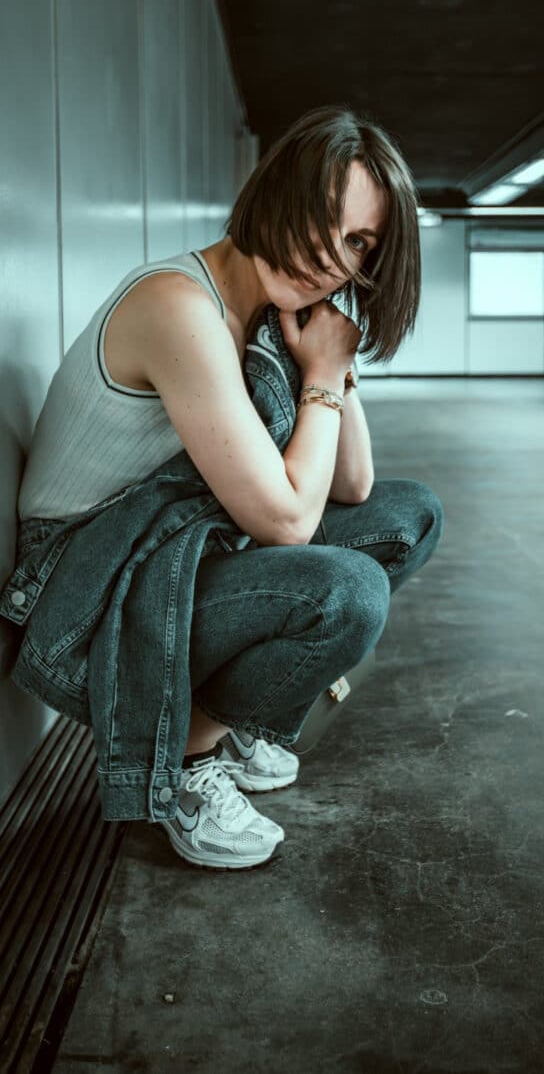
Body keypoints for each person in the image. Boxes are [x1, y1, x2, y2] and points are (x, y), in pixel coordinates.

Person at [15, 104, 444, 870]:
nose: (326, 254)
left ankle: (218, 723)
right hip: (81, 596)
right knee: (346, 592)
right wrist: (318, 377)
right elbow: (285, 521)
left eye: (357, 243)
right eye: (320, 217)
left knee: (408, 516)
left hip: (165, 550)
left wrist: (332, 352)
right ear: (272, 190)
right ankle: (182, 755)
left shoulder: (269, 310)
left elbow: (355, 484)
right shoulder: (178, 306)